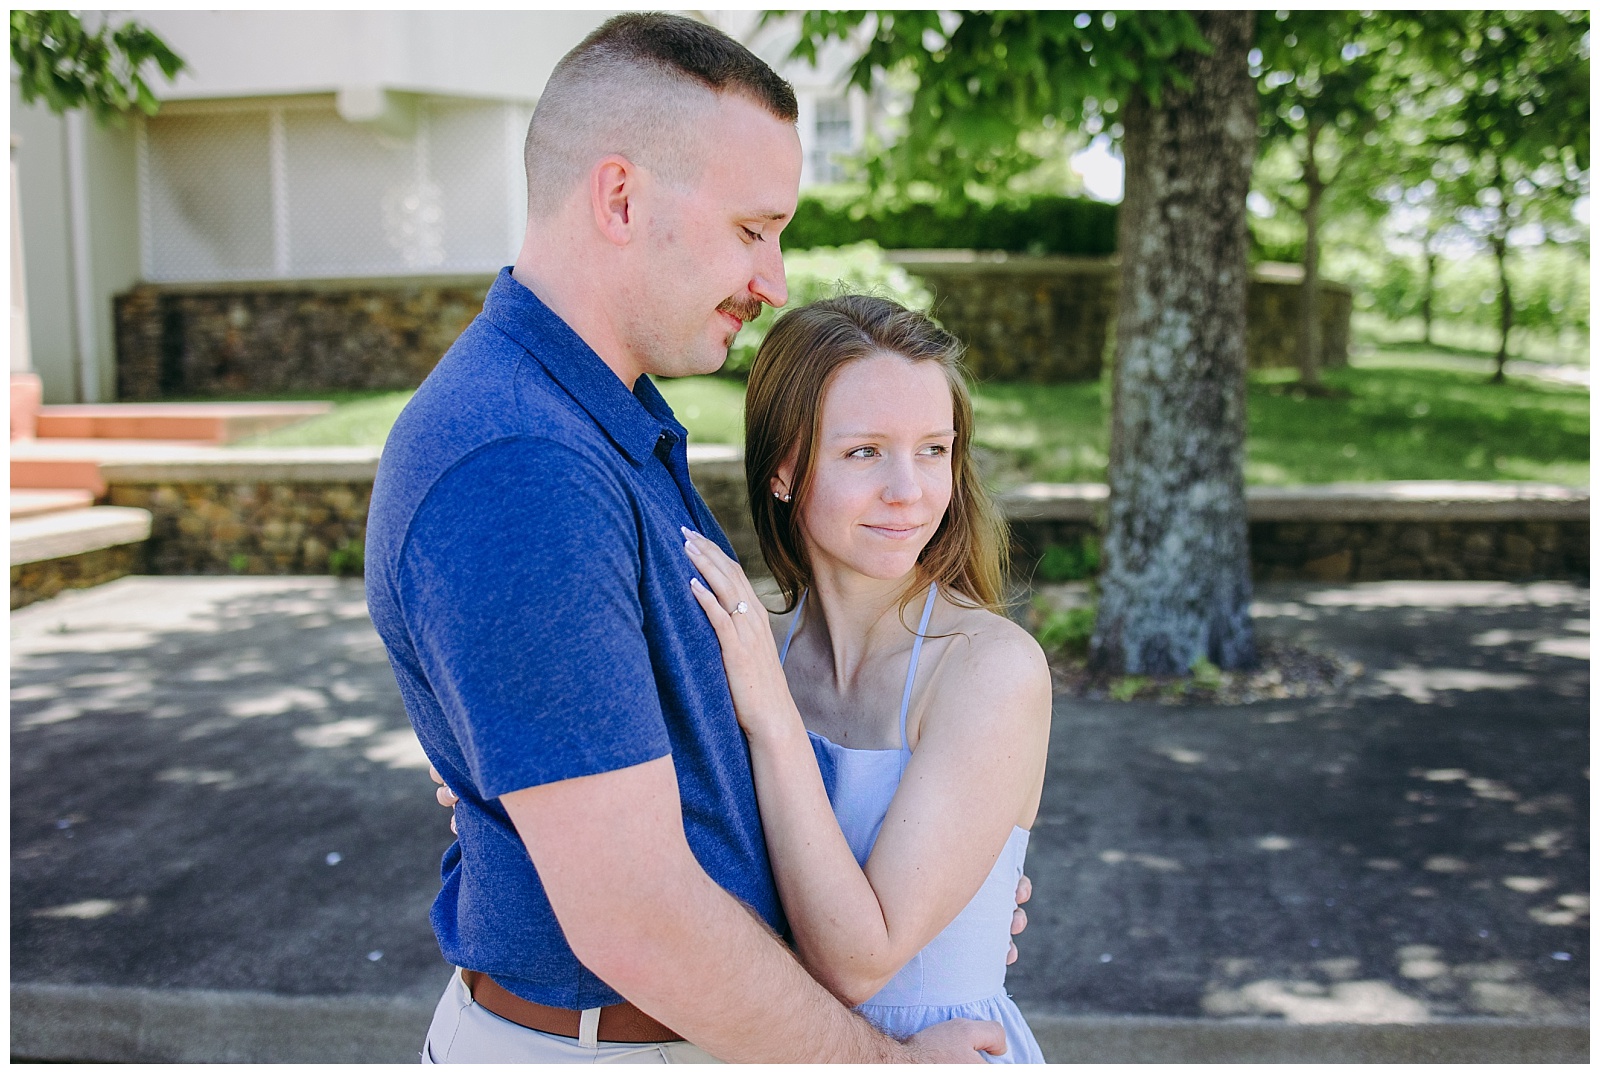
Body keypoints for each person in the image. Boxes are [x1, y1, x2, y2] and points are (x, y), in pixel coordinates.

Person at [366, 13, 1013, 1063]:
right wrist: (884, 1063)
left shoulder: (594, 422)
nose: (776, 279)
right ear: (619, 198)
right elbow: (635, 914)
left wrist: (939, 911)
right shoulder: (521, 463)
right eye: (752, 228)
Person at [682, 295, 1051, 1062]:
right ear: (784, 468)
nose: (908, 491)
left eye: (932, 449)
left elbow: (857, 962)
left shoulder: (987, 668)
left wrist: (774, 722)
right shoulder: (751, 651)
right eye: (864, 452)